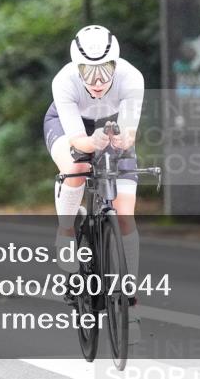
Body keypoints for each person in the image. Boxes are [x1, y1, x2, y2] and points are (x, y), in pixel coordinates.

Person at [44, 25, 145, 344]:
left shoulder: (132, 78)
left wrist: (119, 137)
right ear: (77, 69)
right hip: (70, 125)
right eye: (89, 73)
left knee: (125, 214)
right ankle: (66, 232)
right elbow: (77, 139)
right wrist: (91, 142)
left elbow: (129, 135)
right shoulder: (63, 81)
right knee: (76, 167)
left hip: (112, 124)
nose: (98, 82)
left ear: (117, 64)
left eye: (105, 72)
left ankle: (129, 302)